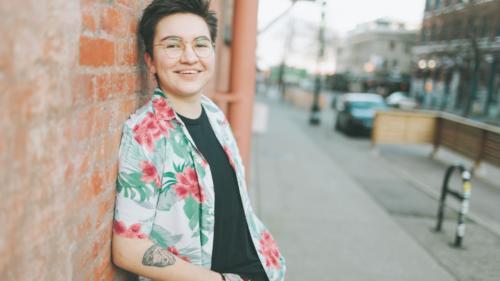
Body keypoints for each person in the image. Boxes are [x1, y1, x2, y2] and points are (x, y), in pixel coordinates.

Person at [111, 1, 286, 280]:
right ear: (150, 61)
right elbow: (127, 247)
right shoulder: (145, 134)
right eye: (173, 45)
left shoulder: (214, 113)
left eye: (201, 44)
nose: (190, 57)